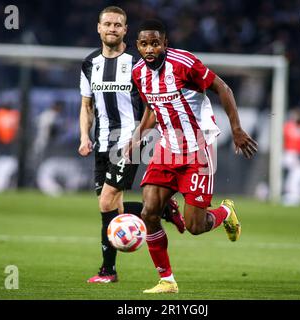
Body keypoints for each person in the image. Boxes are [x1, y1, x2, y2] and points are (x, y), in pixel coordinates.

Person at [127, 19, 258, 293]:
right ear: (137, 46)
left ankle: (225, 211)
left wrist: (236, 129)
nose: (149, 49)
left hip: (198, 147)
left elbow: (223, 88)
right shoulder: (138, 73)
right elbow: (152, 108)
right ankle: (167, 280)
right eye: (144, 44)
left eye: (155, 43)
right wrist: (138, 135)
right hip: (167, 147)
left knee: (195, 226)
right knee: (148, 211)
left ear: (165, 44)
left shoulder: (184, 63)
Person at [78, 7, 185, 284]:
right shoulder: (89, 63)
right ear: (98, 28)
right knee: (114, 208)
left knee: (106, 201)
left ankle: (108, 271)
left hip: (131, 141)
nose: (112, 28)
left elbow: (151, 103)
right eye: (108, 24)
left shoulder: (138, 65)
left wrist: (141, 135)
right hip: (102, 141)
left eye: (118, 25)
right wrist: (84, 136)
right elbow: (86, 105)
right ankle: (162, 209)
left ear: (126, 30)